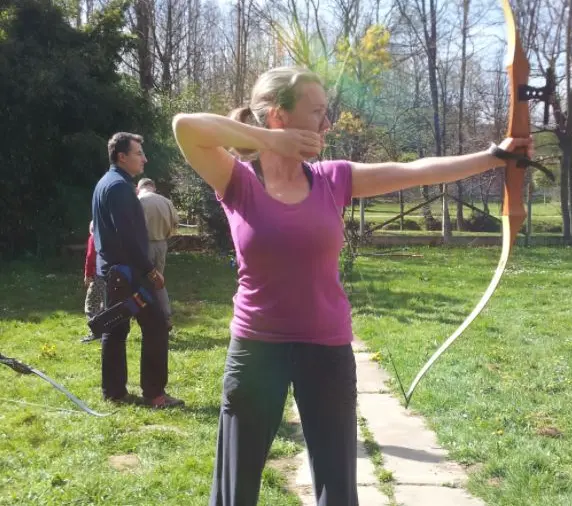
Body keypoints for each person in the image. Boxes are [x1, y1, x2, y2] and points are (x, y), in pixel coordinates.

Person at [172, 66, 534, 506]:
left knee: (337, 481)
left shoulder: (332, 177)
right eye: (318, 111)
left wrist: (493, 156)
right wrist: (270, 142)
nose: (328, 124)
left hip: (326, 346)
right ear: (278, 116)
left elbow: (415, 170)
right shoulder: (238, 181)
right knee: (236, 480)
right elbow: (185, 127)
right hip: (256, 347)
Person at [92, 132, 184, 409]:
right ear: (122, 157)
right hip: (128, 275)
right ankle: (155, 394)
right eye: (138, 153)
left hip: (113, 272)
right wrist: (151, 271)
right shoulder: (119, 187)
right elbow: (128, 236)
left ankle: (114, 392)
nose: (144, 158)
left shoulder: (106, 183)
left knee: (115, 330)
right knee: (156, 326)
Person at [136, 177, 180, 330]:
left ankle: (146, 316)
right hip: (161, 244)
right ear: (152, 187)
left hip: (143, 246)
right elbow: (176, 223)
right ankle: (165, 317)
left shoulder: (138, 201)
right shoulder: (166, 201)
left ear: (138, 188)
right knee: (158, 281)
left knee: (141, 281)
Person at [81, 220, 105, 343]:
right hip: (113, 275)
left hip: (99, 275)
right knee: (106, 304)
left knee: (90, 304)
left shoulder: (93, 239)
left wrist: (88, 274)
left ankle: (96, 332)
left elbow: (90, 256)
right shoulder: (110, 237)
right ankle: (107, 332)